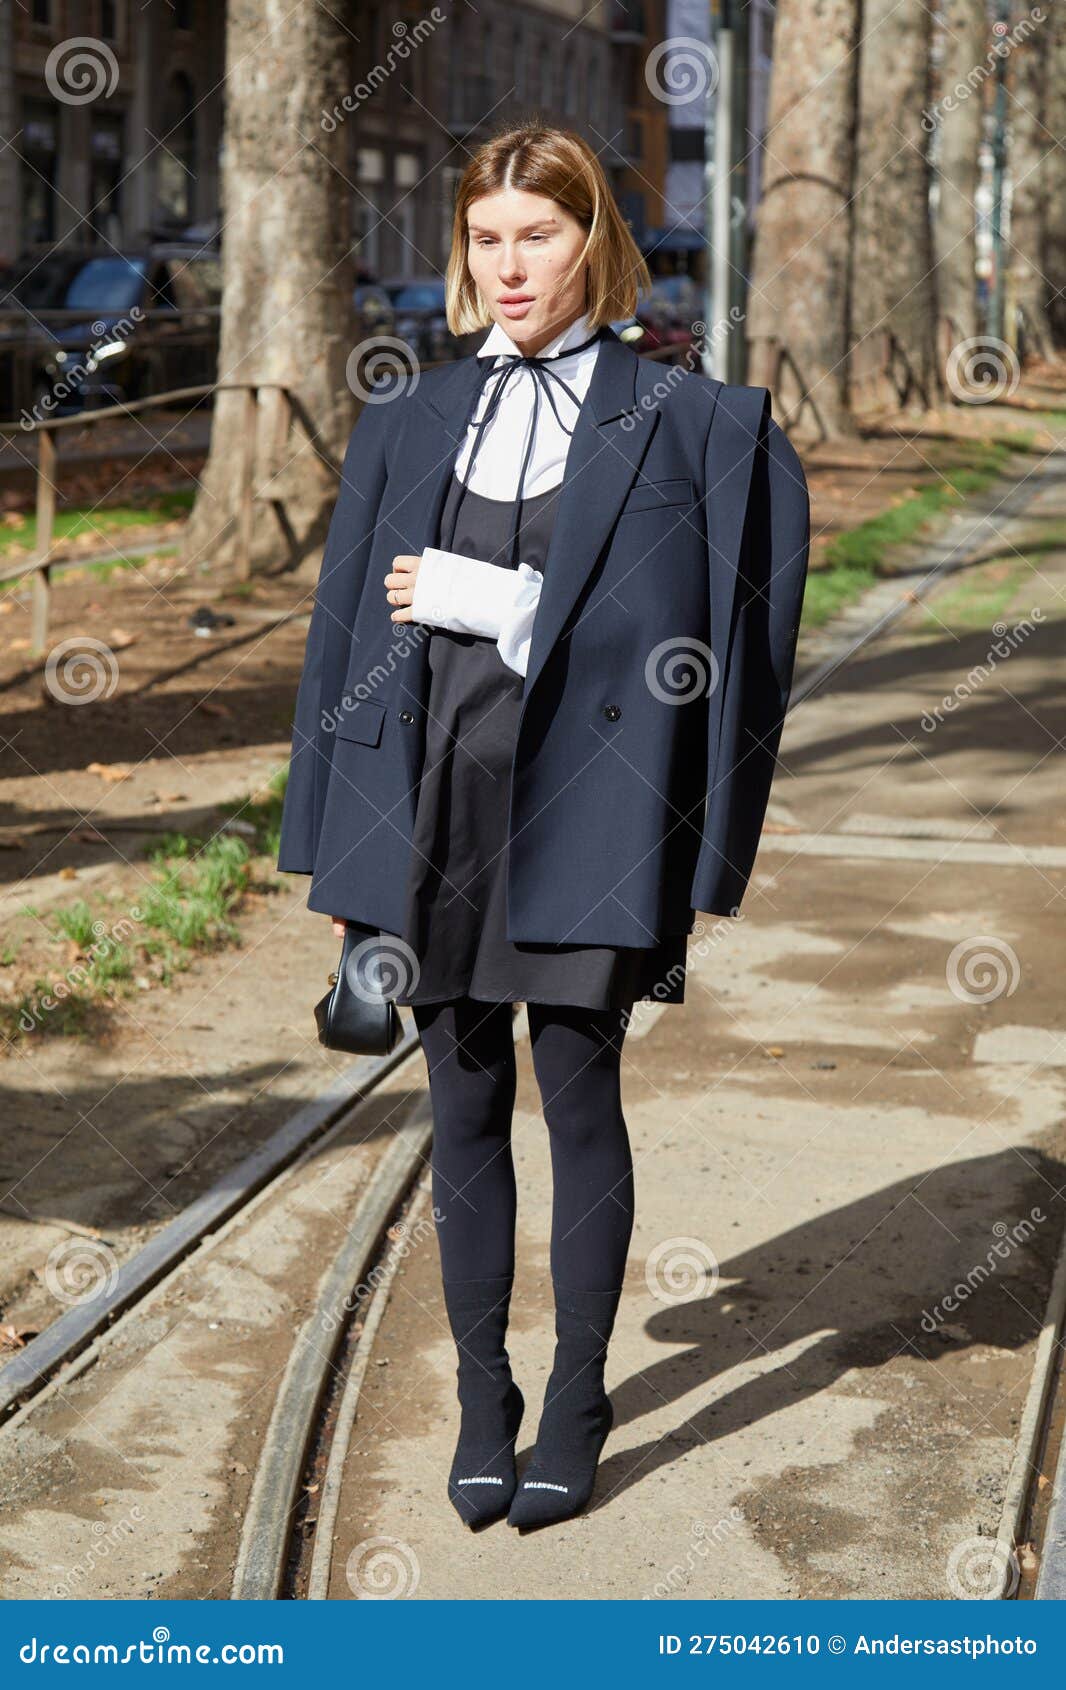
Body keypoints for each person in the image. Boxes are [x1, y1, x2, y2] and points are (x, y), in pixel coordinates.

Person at [277, 124, 810, 1533]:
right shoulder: (410, 420)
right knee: (457, 1111)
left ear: (595, 242)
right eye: (486, 237)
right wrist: (334, 848)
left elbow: (697, 643)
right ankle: (479, 1392)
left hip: (587, 812)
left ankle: (577, 1391)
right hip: (431, 809)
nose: (508, 266)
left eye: (539, 233)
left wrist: (492, 601)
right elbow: (342, 649)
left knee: (577, 1101)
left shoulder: (680, 420)